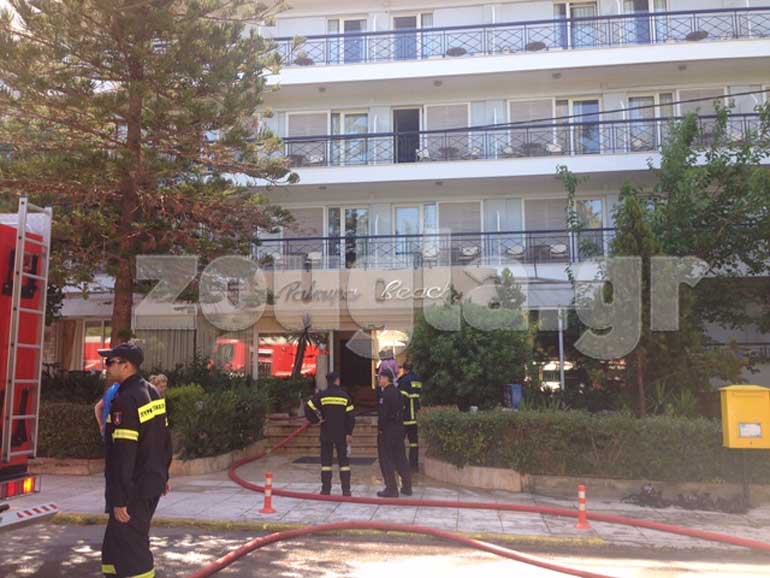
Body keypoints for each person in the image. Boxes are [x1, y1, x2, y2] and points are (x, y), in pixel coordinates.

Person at [99, 342, 172, 578]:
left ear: (126, 366)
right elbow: (164, 439)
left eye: (110, 362)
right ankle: (112, 571)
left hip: (133, 488)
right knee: (116, 542)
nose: (107, 367)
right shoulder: (153, 393)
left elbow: (125, 453)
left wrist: (120, 498)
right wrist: (164, 474)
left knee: (133, 550)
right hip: (151, 480)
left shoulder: (125, 400)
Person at [304, 372, 356, 496]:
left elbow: (308, 406)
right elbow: (351, 417)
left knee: (326, 464)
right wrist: (349, 433)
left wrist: (316, 420)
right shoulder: (345, 397)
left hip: (326, 433)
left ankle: (326, 490)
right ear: (337, 381)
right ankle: (346, 490)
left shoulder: (322, 396)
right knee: (344, 464)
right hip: (341, 434)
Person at [376, 368, 412, 498]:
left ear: (386, 379)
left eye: (380, 378)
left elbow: (383, 415)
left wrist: (380, 429)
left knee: (386, 459)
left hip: (388, 431)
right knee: (400, 458)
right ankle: (407, 487)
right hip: (399, 429)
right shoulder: (398, 392)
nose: (379, 380)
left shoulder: (385, 394)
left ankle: (391, 489)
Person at [398, 362, 423, 471]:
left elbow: (402, 399)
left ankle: (401, 464)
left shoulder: (404, 381)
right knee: (414, 442)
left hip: (405, 416)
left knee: (399, 441)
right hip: (415, 415)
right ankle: (414, 465)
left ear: (404, 369)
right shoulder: (417, 379)